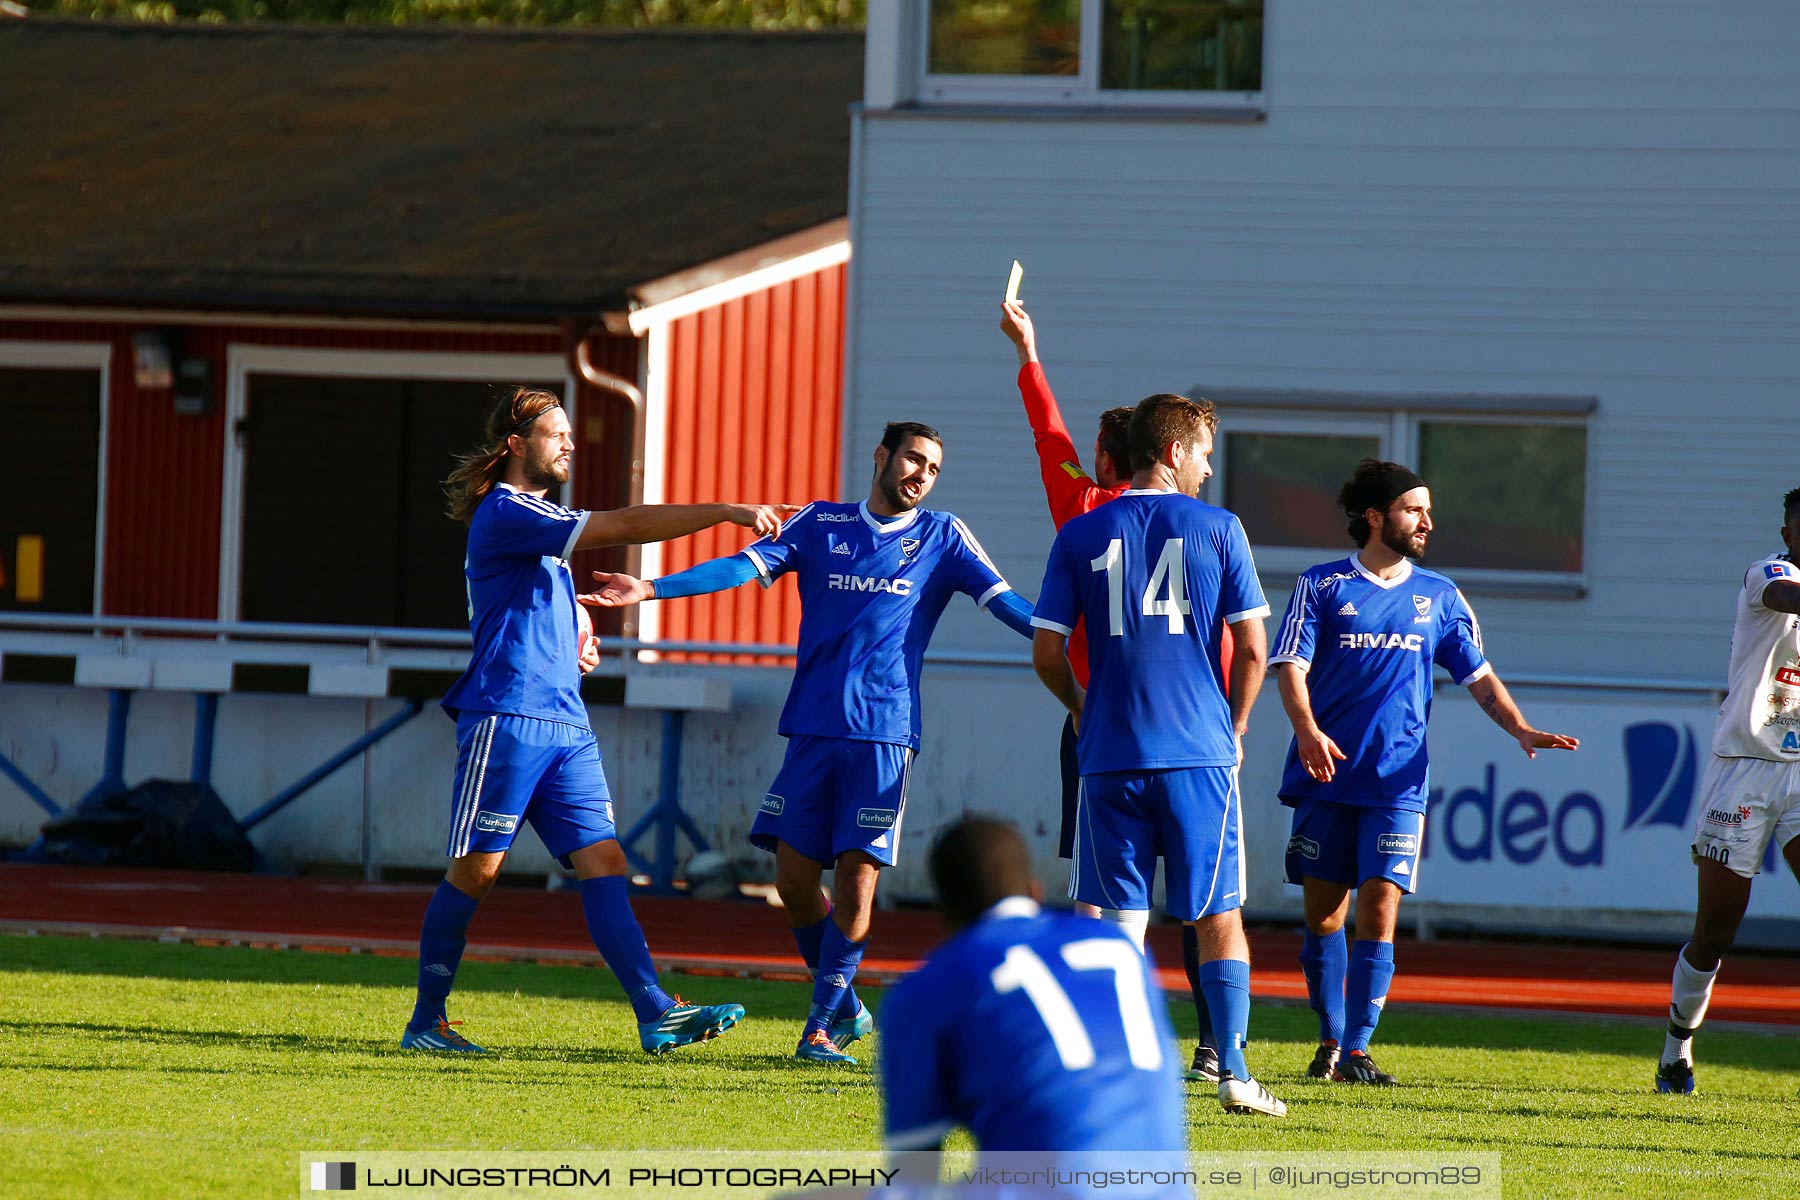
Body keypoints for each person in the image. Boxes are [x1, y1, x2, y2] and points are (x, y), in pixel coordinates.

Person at [583, 421, 1036, 1065]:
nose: (921, 475)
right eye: (913, 460)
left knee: (856, 880)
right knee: (793, 882)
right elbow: (739, 568)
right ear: (882, 457)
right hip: (812, 731)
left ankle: (819, 1026)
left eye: (933, 468)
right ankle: (846, 1003)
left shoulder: (944, 536)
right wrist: (652, 588)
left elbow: (1007, 602)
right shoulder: (820, 524)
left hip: (883, 734)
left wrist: (1071, 639)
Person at [402, 386, 790, 1055]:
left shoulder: (539, 528)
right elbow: (627, 525)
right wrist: (725, 511)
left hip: (565, 721)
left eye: (571, 435)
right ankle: (426, 1023)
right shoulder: (506, 512)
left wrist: (572, 631)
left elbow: (533, 610)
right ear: (516, 445)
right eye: (557, 435)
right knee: (478, 871)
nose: (570, 445)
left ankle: (655, 1010)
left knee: (606, 859)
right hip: (509, 716)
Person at [1269, 458, 1579, 1085]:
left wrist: (1517, 725)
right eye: (1415, 510)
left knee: (1380, 907)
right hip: (1327, 775)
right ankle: (1329, 1041)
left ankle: (1358, 1049)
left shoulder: (1438, 595)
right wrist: (1306, 730)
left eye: (1428, 510)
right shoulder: (1323, 586)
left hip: (1397, 783)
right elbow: (1291, 667)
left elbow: (1478, 674)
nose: (1428, 522)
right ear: (1376, 516)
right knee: (1324, 915)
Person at [1029, 392, 1285, 1117]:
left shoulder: (1080, 532)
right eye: (1203, 451)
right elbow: (1256, 649)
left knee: (1116, 922)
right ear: (1172, 452)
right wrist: (1234, 726)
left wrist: (1083, 708)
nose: (1208, 465)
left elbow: (1047, 653)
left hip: (1109, 755)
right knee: (1218, 916)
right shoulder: (1221, 528)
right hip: (1199, 754)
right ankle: (1233, 1071)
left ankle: (1107, 1073)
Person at [999, 302, 1223, 1085]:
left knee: (1099, 894)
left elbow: (1048, 438)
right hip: (1193, 732)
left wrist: (1030, 353)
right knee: (1206, 898)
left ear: (1111, 456)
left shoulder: (1085, 512)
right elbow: (1225, 634)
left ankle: (1097, 1038)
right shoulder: (1206, 527)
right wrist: (1223, 711)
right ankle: (1213, 1047)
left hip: (1098, 722)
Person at [880, 816, 1188, 1191]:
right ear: (1034, 891)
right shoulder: (1120, 949)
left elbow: (913, 1176)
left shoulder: (929, 986)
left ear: (943, 917)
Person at [1656, 487, 1800, 1094]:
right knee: (1717, 928)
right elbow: (1783, 595)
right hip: (1742, 767)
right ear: (1790, 529)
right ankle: (1676, 1049)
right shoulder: (1770, 573)